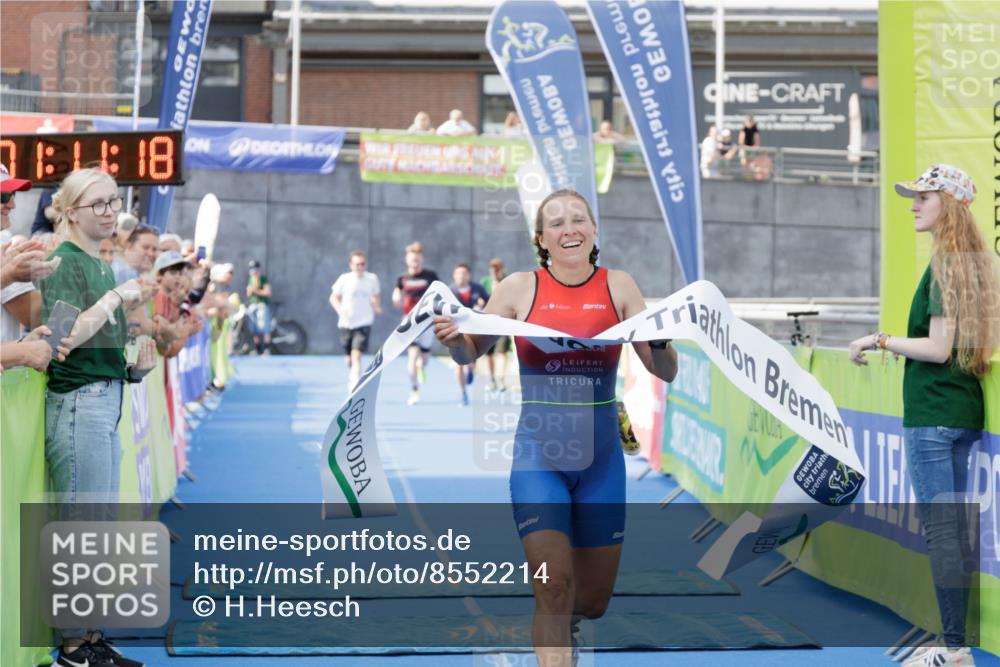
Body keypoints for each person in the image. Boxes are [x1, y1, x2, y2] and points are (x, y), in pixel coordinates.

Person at [433, 189, 677, 667]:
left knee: (590, 602)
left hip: (601, 463)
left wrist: (661, 339)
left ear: (593, 230)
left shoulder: (620, 286)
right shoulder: (518, 290)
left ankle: (569, 629)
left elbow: (664, 369)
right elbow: (470, 351)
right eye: (558, 223)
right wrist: (453, 343)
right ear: (541, 239)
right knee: (552, 587)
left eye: (578, 220)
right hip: (537, 461)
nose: (570, 229)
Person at [849, 164, 999, 667]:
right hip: (960, 410)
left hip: (934, 413)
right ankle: (955, 643)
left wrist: (879, 339)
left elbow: (937, 348)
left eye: (923, 196)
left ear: (947, 205)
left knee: (944, 533)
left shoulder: (947, 265)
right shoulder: (973, 263)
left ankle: (953, 648)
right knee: (954, 531)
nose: (913, 204)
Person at [37, 168, 154, 667]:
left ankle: (89, 637)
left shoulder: (100, 265)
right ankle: (72, 646)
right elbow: (62, 339)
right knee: (81, 525)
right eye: (98, 204)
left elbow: (98, 345)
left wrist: (133, 368)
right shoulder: (66, 262)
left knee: (98, 526)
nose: (109, 212)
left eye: (113, 202)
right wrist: (113, 300)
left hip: (104, 399)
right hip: (79, 402)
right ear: (70, 212)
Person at [392, 242, 439, 405]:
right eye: (412, 260)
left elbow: (439, 292)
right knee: (412, 356)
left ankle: (422, 367)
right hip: (410, 321)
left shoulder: (430, 276)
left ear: (422, 260)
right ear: (407, 260)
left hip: (427, 322)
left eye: (418, 260)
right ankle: (414, 390)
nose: (415, 263)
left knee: (423, 358)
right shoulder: (402, 278)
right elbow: (398, 289)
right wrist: (396, 296)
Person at [330, 251, 382, 389]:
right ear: (351, 265)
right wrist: (340, 310)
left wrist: (376, 307)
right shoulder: (344, 279)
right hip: (346, 324)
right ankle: (352, 373)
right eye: (357, 264)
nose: (360, 267)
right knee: (349, 358)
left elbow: (376, 296)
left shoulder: (372, 279)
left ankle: (355, 385)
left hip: (364, 322)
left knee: (356, 355)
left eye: (362, 264)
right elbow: (333, 297)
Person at [448, 263, 488, 405]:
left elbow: (490, 304)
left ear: (468, 275)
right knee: (458, 363)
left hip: (473, 332)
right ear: (454, 275)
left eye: (464, 273)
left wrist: (482, 306)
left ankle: (471, 370)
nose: (461, 276)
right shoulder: (449, 291)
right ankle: (463, 393)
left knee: (470, 361)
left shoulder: (478, 289)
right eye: (458, 273)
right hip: (456, 332)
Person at [480, 258, 512, 391]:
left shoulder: (509, 282)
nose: (494, 271)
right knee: (489, 354)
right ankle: (492, 379)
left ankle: (501, 379)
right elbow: (480, 299)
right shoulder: (485, 282)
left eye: (497, 269)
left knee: (502, 352)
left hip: (503, 322)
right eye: (492, 269)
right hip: (488, 323)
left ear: (502, 270)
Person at [245, 259, 273, 355]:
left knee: (264, 327)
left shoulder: (263, 279)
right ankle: (257, 349)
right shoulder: (250, 279)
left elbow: (268, 292)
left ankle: (266, 349)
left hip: (262, 304)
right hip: (253, 304)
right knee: (253, 328)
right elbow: (248, 294)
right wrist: (250, 289)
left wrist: (256, 290)